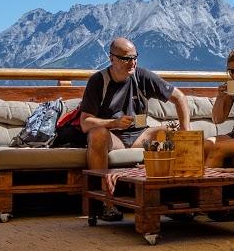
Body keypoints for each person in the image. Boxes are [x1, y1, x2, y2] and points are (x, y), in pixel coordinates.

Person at [81, 37, 192, 188]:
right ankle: (103, 200)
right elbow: (85, 122)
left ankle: (177, 192)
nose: (132, 63)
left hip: (141, 135)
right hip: (113, 138)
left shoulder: (142, 76)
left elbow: (179, 97)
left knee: (173, 133)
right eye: (126, 59)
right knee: (97, 134)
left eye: (134, 57)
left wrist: (186, 131)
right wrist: (114, 123)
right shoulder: (98, 81)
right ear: (112, 59)